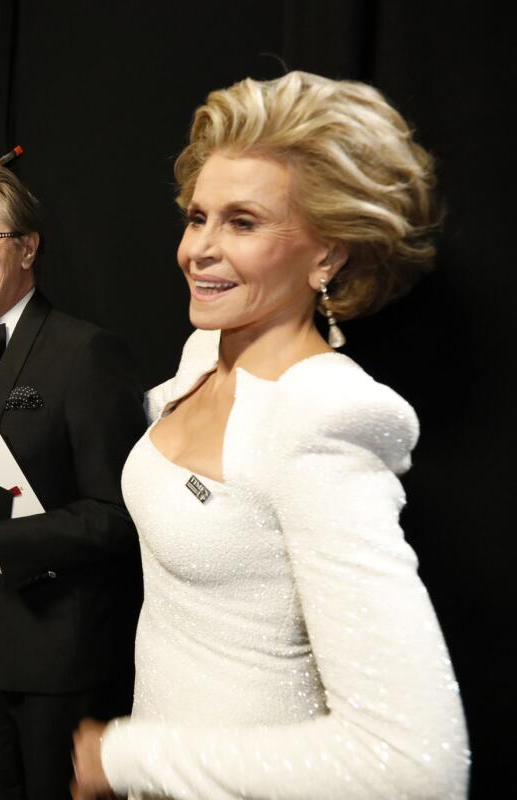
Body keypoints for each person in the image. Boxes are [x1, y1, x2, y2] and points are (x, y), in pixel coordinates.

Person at [70, 71, 470, 800]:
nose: (199, 249)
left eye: (243, 223)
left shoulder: (321, 420)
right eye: (198, 217)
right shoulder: (204, 356)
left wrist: (128, 758)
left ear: (329, 255)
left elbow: (416, 765)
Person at [0, 165, 145, 799]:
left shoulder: (86, 353)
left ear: (28, 245)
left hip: (55, 652)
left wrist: (0, 539)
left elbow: (119, 517)